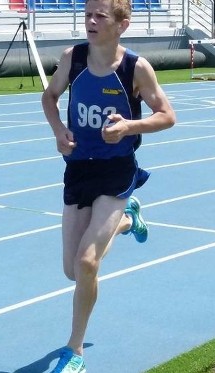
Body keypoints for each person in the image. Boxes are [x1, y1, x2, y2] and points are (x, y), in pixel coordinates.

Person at [40, 0, 176, 371]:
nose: (90, 21)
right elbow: (50, 97)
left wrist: (128, 127)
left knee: (87, 263)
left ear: (122, 25)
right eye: (87, 14)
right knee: (71, 270)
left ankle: (74, 350)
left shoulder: (135, 68)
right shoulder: (74, 58)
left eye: (100, 15)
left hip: (116, 169)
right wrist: (58, 131)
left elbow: (167, 116)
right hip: (79, 169)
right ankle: (128, 220)